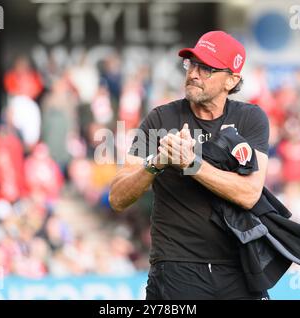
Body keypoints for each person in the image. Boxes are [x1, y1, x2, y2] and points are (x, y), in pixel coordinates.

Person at [108, 31, 270, 300]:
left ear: (232, 80)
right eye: (191, 64)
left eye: (206, 68)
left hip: (240, 267)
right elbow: (117, 197)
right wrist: (157, 162)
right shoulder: (160, 118)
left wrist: (191, 164)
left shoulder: (250, 119)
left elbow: (249, 193)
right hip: (176, 269)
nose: (194, 73)